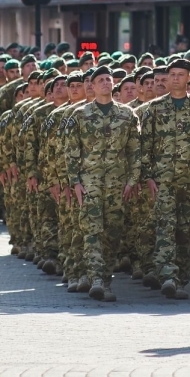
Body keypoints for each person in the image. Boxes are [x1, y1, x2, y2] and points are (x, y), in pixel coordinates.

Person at [64, 64, 140, 302]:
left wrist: (132, 180)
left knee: (113, 233)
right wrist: (74, 182)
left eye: (108, 79)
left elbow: (134, 151)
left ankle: (105, 279)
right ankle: (96, 279)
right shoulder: (80, 115)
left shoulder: (127, 115)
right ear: (93, 86)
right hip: (90, 183)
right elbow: (71, 152)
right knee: (92, 231)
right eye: (101, 80)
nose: (106, 83)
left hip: (117, 184)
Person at [140, 57, 190, 299]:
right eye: (172, 75)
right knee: (165, 227)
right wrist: (147, 176)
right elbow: (145, 145)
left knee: (185, 231)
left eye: (181, 75)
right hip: (163, 180)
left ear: (189, 78)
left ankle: (180, 278)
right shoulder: (155, 108)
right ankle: (168, 275)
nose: (176, 79)